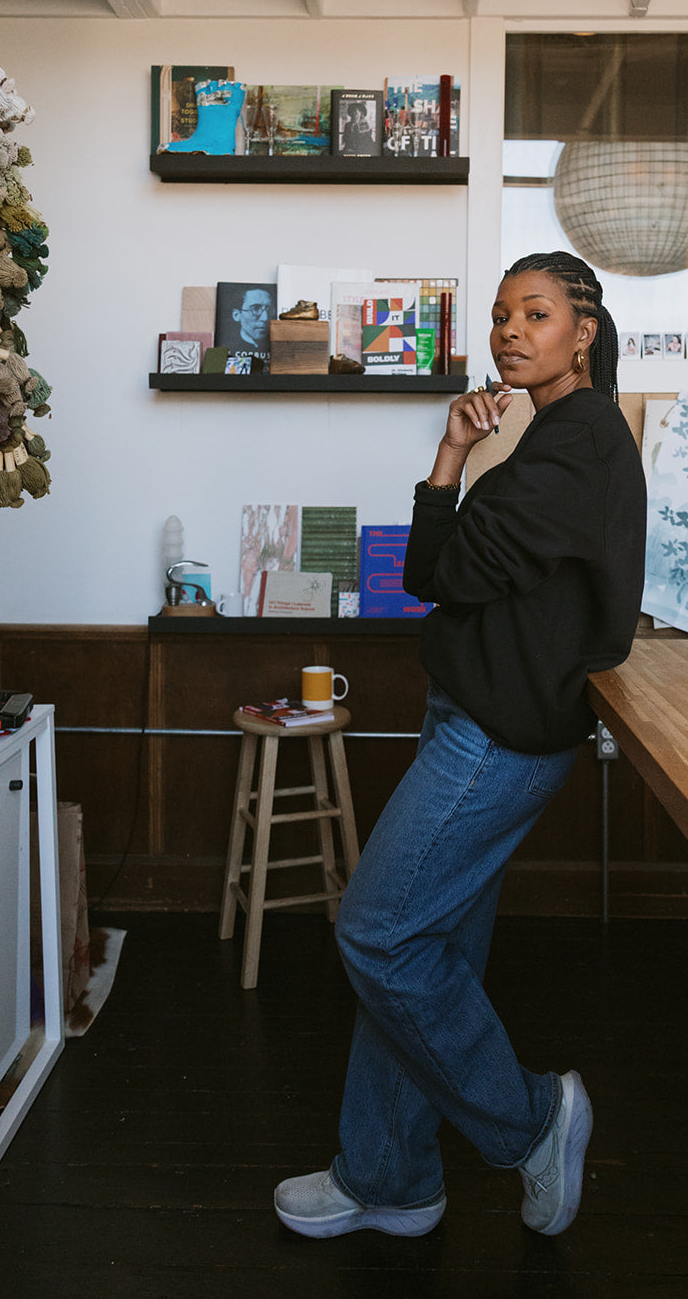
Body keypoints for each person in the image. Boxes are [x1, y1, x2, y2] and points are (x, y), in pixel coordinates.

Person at [274, 250, 647, 1242]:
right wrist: (449, 453)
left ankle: (529, 1122)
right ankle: (390, 1176)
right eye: (498, 316)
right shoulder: (545, 436)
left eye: (535, 313)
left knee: (378, 936)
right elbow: (437, 568)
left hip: (493, 737)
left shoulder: (579, 442)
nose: (509, 331)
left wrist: (450, 490)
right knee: (421, 948)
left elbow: (438, 573)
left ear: (584, 332)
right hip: (475, 720)